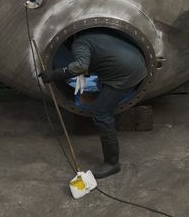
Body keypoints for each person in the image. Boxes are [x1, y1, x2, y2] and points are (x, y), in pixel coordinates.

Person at [38, 28, 147, 178]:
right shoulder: (91, 36)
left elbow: (80, 66)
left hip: (125, 75)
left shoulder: (79, 43)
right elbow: (99, 58)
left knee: (101, 113)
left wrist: (53, 74)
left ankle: (112, 163)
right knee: (103, 98)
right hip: (137, 63)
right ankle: (111, 161)